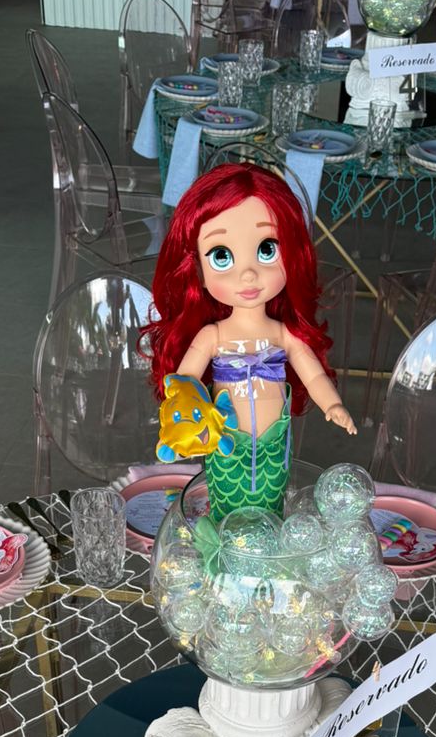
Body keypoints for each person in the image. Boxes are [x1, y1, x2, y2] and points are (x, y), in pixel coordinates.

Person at [145, 163, 355, 519]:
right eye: (222, 256)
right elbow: (183, 384)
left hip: (274, 440)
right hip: (226, 439)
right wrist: (180, 425)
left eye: (267, 249)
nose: (247, 274)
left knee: (272, 499)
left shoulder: (282, 334)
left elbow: (313, 374)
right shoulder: (213, 336)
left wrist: (331, 403)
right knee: (226, 500)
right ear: (197, 269)